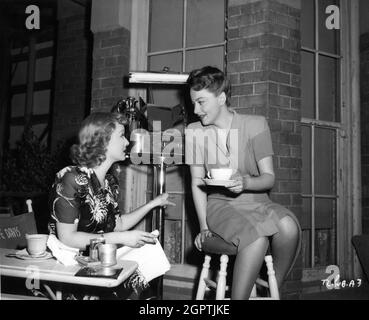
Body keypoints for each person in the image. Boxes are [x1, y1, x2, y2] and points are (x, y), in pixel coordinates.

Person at [185, 66, 301, 300]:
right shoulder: (194, 131)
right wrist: (203, 227)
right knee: (255, 237)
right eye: (193, 103)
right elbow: (196, 182)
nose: (195, 110)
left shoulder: (255, 124)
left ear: (221, 98)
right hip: (220, 205)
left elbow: (269, 178)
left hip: (258, 200)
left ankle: (268, 290)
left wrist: (245, 182)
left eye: (201, 102)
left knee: (289, 226)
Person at [49, 112, 174, 298]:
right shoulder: (71, 178)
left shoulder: (108, 182)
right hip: (71, 270)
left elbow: (119, 224)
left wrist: (152, 204)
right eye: (122, 135)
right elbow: (67, 238)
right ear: (103, 141)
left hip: (100, 263)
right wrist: (122, 238)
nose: (126, 142)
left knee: (146, 269)